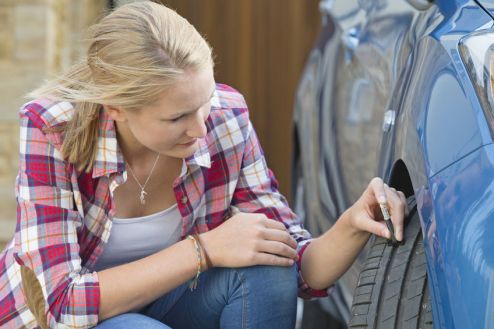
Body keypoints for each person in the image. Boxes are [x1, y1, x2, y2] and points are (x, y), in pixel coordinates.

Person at [0, 2, 408, 328]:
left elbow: (297, 266)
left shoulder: (225, 119)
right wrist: (204, 250)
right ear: (117, 109)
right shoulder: (53, 129)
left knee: (267, 269)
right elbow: (61, 305)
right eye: (177, 117)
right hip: (77, 322)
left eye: (205, 102)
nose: (200, 128)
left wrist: (353, 224)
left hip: (179, 304)